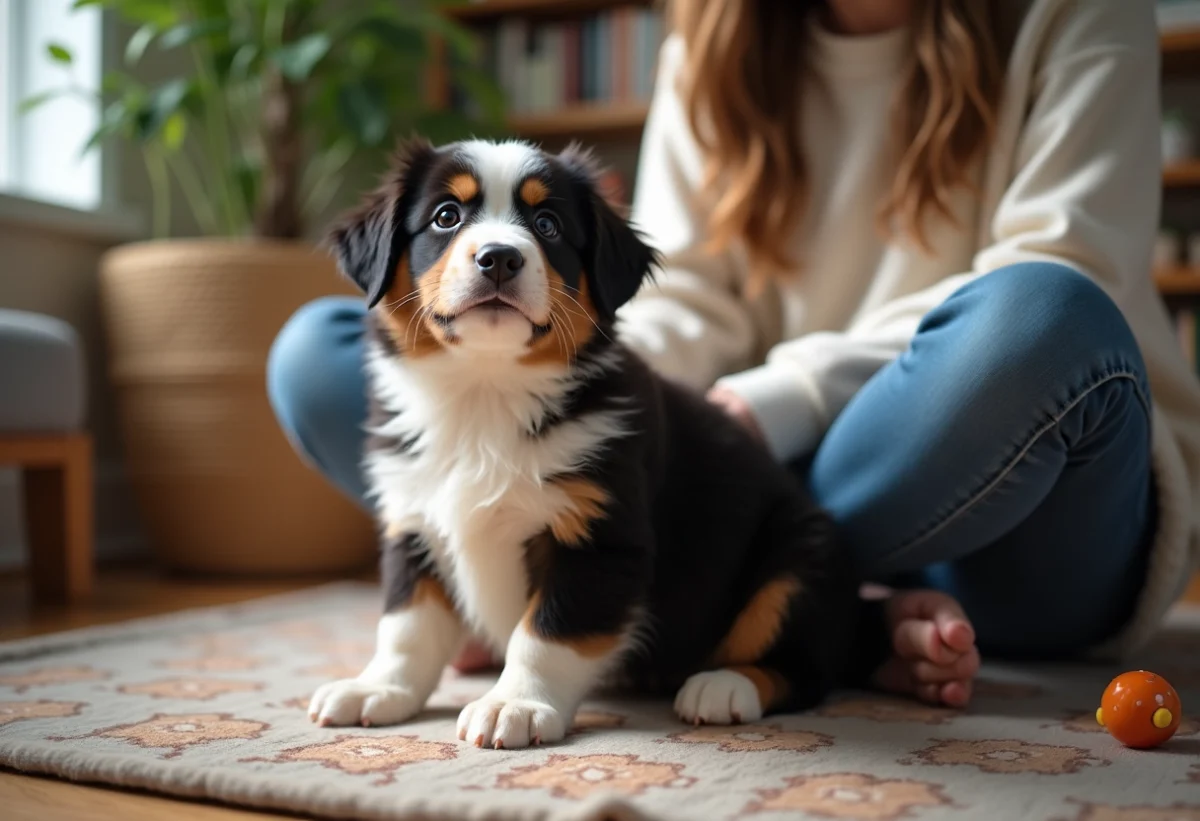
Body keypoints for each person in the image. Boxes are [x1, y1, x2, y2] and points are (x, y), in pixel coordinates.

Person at [267, 0, 1200, 708]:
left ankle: (814, 596)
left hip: (1010, 503)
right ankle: (824, 612)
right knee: (318, 350)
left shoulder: (1078, 14)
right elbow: (678, 304)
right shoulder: (709, 40)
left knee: (1039, 314)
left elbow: (1066, 257)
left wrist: (775, 398)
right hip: (741, 484)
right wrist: (599, 393)